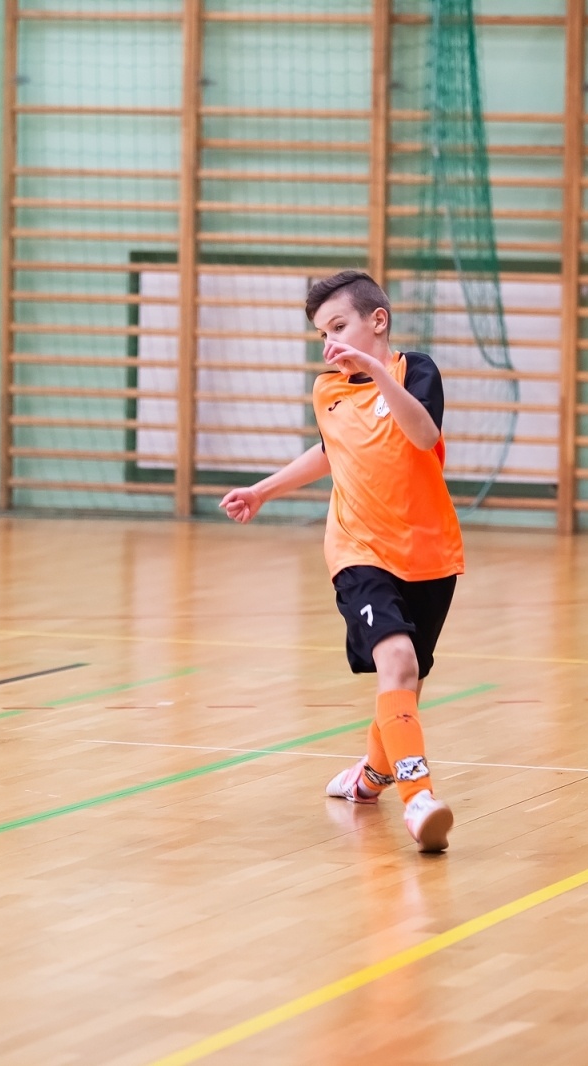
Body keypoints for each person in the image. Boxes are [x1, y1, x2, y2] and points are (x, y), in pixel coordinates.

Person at [220, 270, 464, 853]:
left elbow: (422, 433)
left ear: (377, 320)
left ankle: (371, 775)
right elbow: (332, 450)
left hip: (429, 551)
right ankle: (419, 800)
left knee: (407, 682)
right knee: (398, 661)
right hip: (359, 550)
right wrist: (262, 490)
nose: (329, 343)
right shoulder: (326, 390)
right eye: (322, 334)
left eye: (338, 326)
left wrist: (376, 372)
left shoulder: (415, 371)